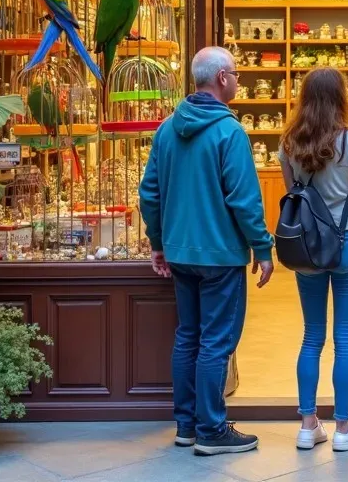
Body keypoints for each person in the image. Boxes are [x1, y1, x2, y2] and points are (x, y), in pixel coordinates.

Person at [139, 46, 275, 456]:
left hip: (180, 253)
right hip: (220, 255)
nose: (238, 80)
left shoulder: (167, 128)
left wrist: (159, 242)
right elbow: (245, 199)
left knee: (188, 337)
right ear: (221, 78)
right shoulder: (228, 132)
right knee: (216, 341)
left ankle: (186, 425)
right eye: (235, 73)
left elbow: (150, 193)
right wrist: (262, 247)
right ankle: (212, 430)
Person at [278, 68, 348, 452]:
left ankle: (307, 425)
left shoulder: (288, 142)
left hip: (309, 246)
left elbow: (295, 195)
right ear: (341, 97)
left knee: (311, 336)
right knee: (346, 340)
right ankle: (343, 428)